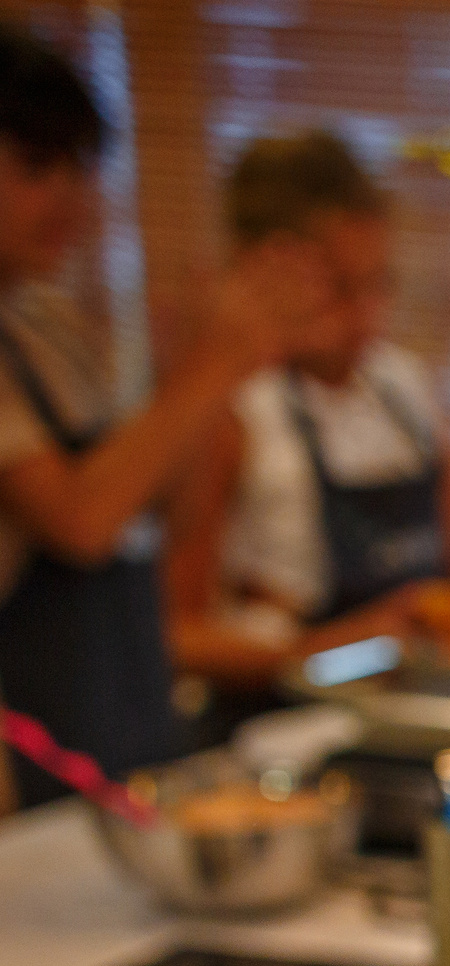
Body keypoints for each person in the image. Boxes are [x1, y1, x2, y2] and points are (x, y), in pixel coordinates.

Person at [0, 23, 318, 805]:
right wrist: (207, 371)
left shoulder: (44, 326)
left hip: (122, 732)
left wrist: (213, 374)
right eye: (38, 165)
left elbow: (156, 513)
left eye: (80, 166)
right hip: (31, 746)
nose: (70, 195)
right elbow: (79, 520)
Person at [162, 131, 450, 707]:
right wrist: (342, 648)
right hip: (282, 725)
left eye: (380, 284)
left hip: (413, 710)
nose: (368, 315)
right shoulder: (234, 410)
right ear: (263, 271)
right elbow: (176, 637)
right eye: (341, 290)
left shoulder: (403, 389)